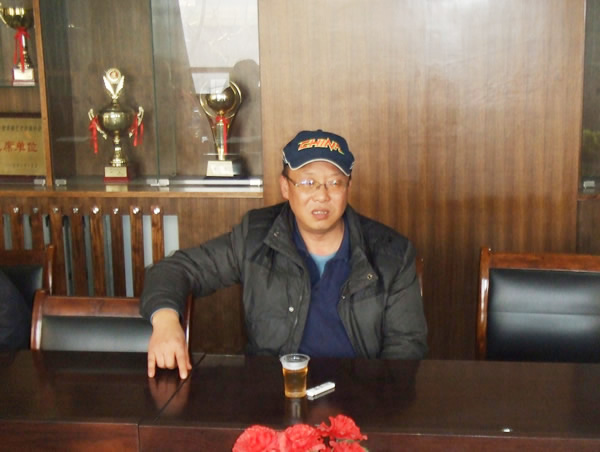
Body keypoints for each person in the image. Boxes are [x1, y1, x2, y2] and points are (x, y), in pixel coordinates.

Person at [140, 129, 428, 379]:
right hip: (276, 396)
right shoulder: (255, 237)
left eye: (334, 182)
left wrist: (370, 405)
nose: (322, 195)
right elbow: (175, 269)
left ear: (348, 188)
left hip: (361, 400)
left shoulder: (392, 254)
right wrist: (165, 321)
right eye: (307, 182)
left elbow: (406, 350)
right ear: (285, 188)